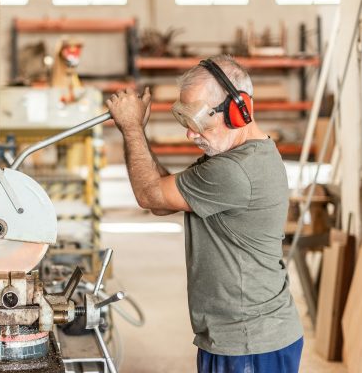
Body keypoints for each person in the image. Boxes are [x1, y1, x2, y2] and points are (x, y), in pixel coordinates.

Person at [105, 55, 304, 373]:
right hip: (237, 337)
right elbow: (162, 200)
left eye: (201, 124)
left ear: (240, 111)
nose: (190, 135)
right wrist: (138, 131)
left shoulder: (235, 170)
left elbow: (148, 195)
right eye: (187, 124)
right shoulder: (234, 156)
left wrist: (130, 128)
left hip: (249, 345)